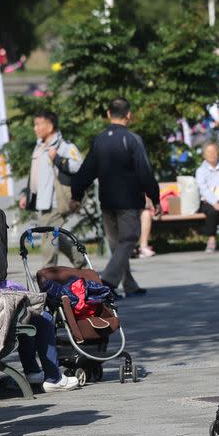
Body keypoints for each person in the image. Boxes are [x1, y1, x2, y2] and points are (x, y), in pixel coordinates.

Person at [71, 97, 160, 297]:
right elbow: (145, 172)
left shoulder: (100, 140)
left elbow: (86, 170)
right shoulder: (132, 139)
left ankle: (129, 284)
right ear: (129, 115)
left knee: (117, 245)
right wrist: (155, 198)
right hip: (129, 201)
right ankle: (108, 282)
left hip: (107, 201)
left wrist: (76, 194)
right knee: (128, 240)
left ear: (109, 114)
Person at [19, 111, 84, 268]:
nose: (35, 128)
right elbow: (35, 175)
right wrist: (26, 195)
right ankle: (80, 260)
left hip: (57, 200)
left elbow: (78, 166)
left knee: (48, 237)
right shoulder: (39, 146)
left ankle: (48, 274)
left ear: (50, 126)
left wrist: (58, 159)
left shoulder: (64, 146)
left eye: (38, 124)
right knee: (55, 235)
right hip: (43, 201)